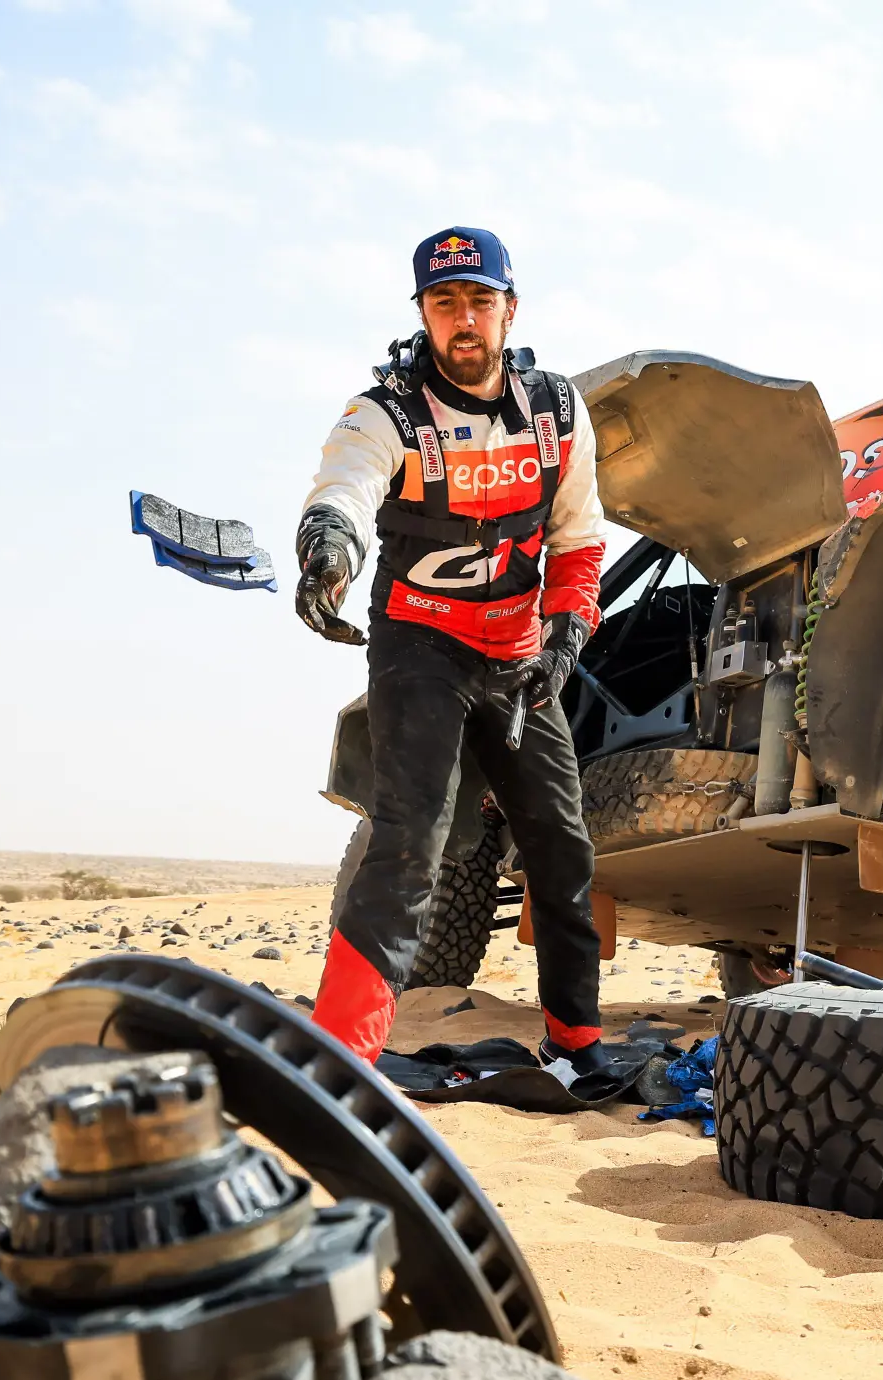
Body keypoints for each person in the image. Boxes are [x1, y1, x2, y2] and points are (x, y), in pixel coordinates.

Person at [293, 226, 610, 1074]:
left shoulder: (558, 411)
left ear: (511, 310)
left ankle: (576, 1045)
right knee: (411, 839)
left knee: (562, 846)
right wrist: (327, 551)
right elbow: (344, 490)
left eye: (479, 300)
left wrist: (565, 638)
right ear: (424, 313)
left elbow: (579, 541)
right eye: (444, 303)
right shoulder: (385, 411)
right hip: (419, 643)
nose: (463, 320)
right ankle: (343, 1056)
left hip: (519, 656)